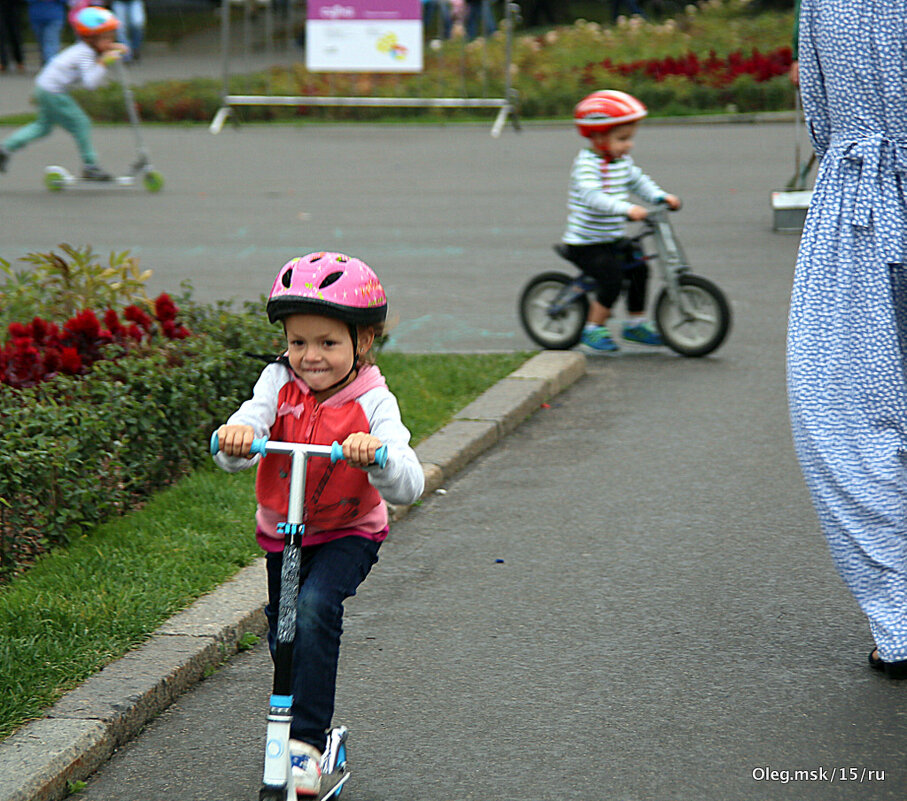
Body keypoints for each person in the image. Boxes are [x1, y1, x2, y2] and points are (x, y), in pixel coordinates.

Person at [213, 252, 425, 796]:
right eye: (298, 341)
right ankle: (322, 738)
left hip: (348, 533)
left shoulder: (374, 399)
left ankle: (303, 748)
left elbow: (409, 482)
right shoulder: (275, 382)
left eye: (328, 343)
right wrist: (236, 436)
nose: (310, 357)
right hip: (283, 533)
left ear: (364, 341)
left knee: (311, 610)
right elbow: (244, 432)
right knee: (284, 633)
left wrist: (376, 456)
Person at [787, 0, 907, 680]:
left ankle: (897, 620)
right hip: (860, 188)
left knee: (846, 421)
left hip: (853, 208)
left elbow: (820, 112)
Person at [562, 89, 681, 354]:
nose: (629, 145)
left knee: (639, 267)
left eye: (630, 138)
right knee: (612, 278)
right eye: (622, 138)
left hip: (612, 237)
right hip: (586, 243)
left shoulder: (620, 161)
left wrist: (660, 196)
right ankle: (592, 328)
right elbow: (593, 197)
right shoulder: (586, 165)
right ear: (599, 137)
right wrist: (626, 209)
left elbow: (638, 181)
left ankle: (635, 323)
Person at [0, 6, 127, 179]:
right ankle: (90, 166)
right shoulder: (84, 54)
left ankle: (5, 148)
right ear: (90, 38)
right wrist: (103, 63)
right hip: (54, 92)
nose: (110, 41)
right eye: (106, 38)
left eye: (112, 37)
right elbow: (90, 83)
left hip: (45, 87)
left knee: (42, 127)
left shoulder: (84, 50)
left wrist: (110, 50)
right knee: (81, 123)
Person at [0, 0, 25, 72]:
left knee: (15, 36)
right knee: (2, 36)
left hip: (13, 8)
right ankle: (3, 62)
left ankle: (19, 60)